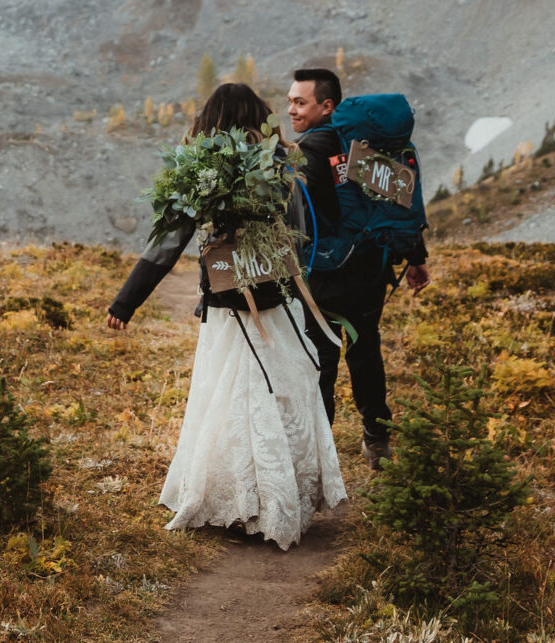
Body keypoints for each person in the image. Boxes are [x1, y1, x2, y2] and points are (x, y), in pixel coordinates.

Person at [104, 82, 346, 549]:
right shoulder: (280, 161)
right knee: (281, 391)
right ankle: (282, 497)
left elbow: (169, 241)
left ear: (210, 122)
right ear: (258, 116)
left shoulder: (200, 171)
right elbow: (298, 233)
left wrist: (126, 302)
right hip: (277, 297)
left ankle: (239, 499)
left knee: (228, 397)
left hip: (226, 304)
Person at [285, 67, 428, 464]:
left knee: (323, 358)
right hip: (371, 267)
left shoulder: (308, 152)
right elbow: (399, 202)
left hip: (327, 273)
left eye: (300, 102)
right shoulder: (370, 147)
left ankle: (319, 450)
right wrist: (416, 259)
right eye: (291, 101)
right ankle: (377, 436)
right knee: (365, 347)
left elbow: (296, 218)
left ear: (327, 105)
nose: (292, 110)